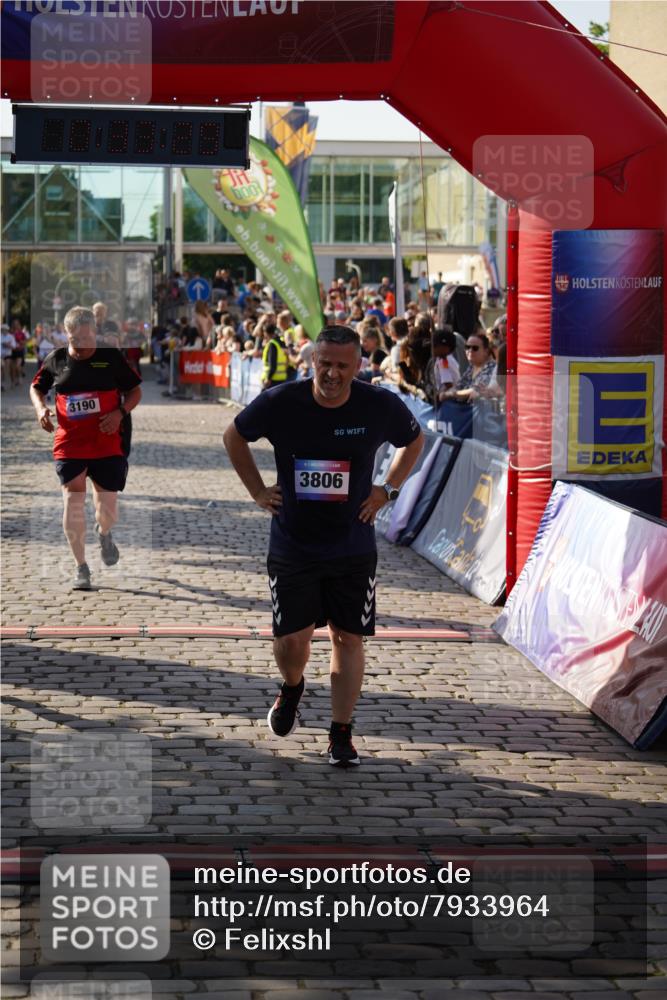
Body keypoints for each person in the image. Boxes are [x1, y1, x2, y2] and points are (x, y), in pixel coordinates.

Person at [223, 326, 423, 767]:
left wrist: (386, 490)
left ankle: (341, 734)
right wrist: (258, 491)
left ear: (357, 366)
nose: (332, 374)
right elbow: (233, 437)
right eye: (324, 363)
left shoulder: (378, 403)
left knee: (348, 637)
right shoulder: (281, 402)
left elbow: (415, 440)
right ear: (312, 359)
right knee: (291, 642)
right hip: (293, 544)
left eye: (342, 366)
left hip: (352, 545)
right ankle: (292, 687)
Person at [29, 306, 142, 591]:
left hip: (107, 443)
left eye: (85, 338)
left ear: (95, 333)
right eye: (73, 339)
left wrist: (119, 413)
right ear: (65, 334)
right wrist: (41, 408)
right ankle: (81, 567)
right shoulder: (57, 359)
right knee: (73, 500)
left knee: (107, 512)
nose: (79, 345)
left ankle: (104, 533)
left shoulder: (110, 357)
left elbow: (135, 391)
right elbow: (37, 387)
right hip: (70, 443)